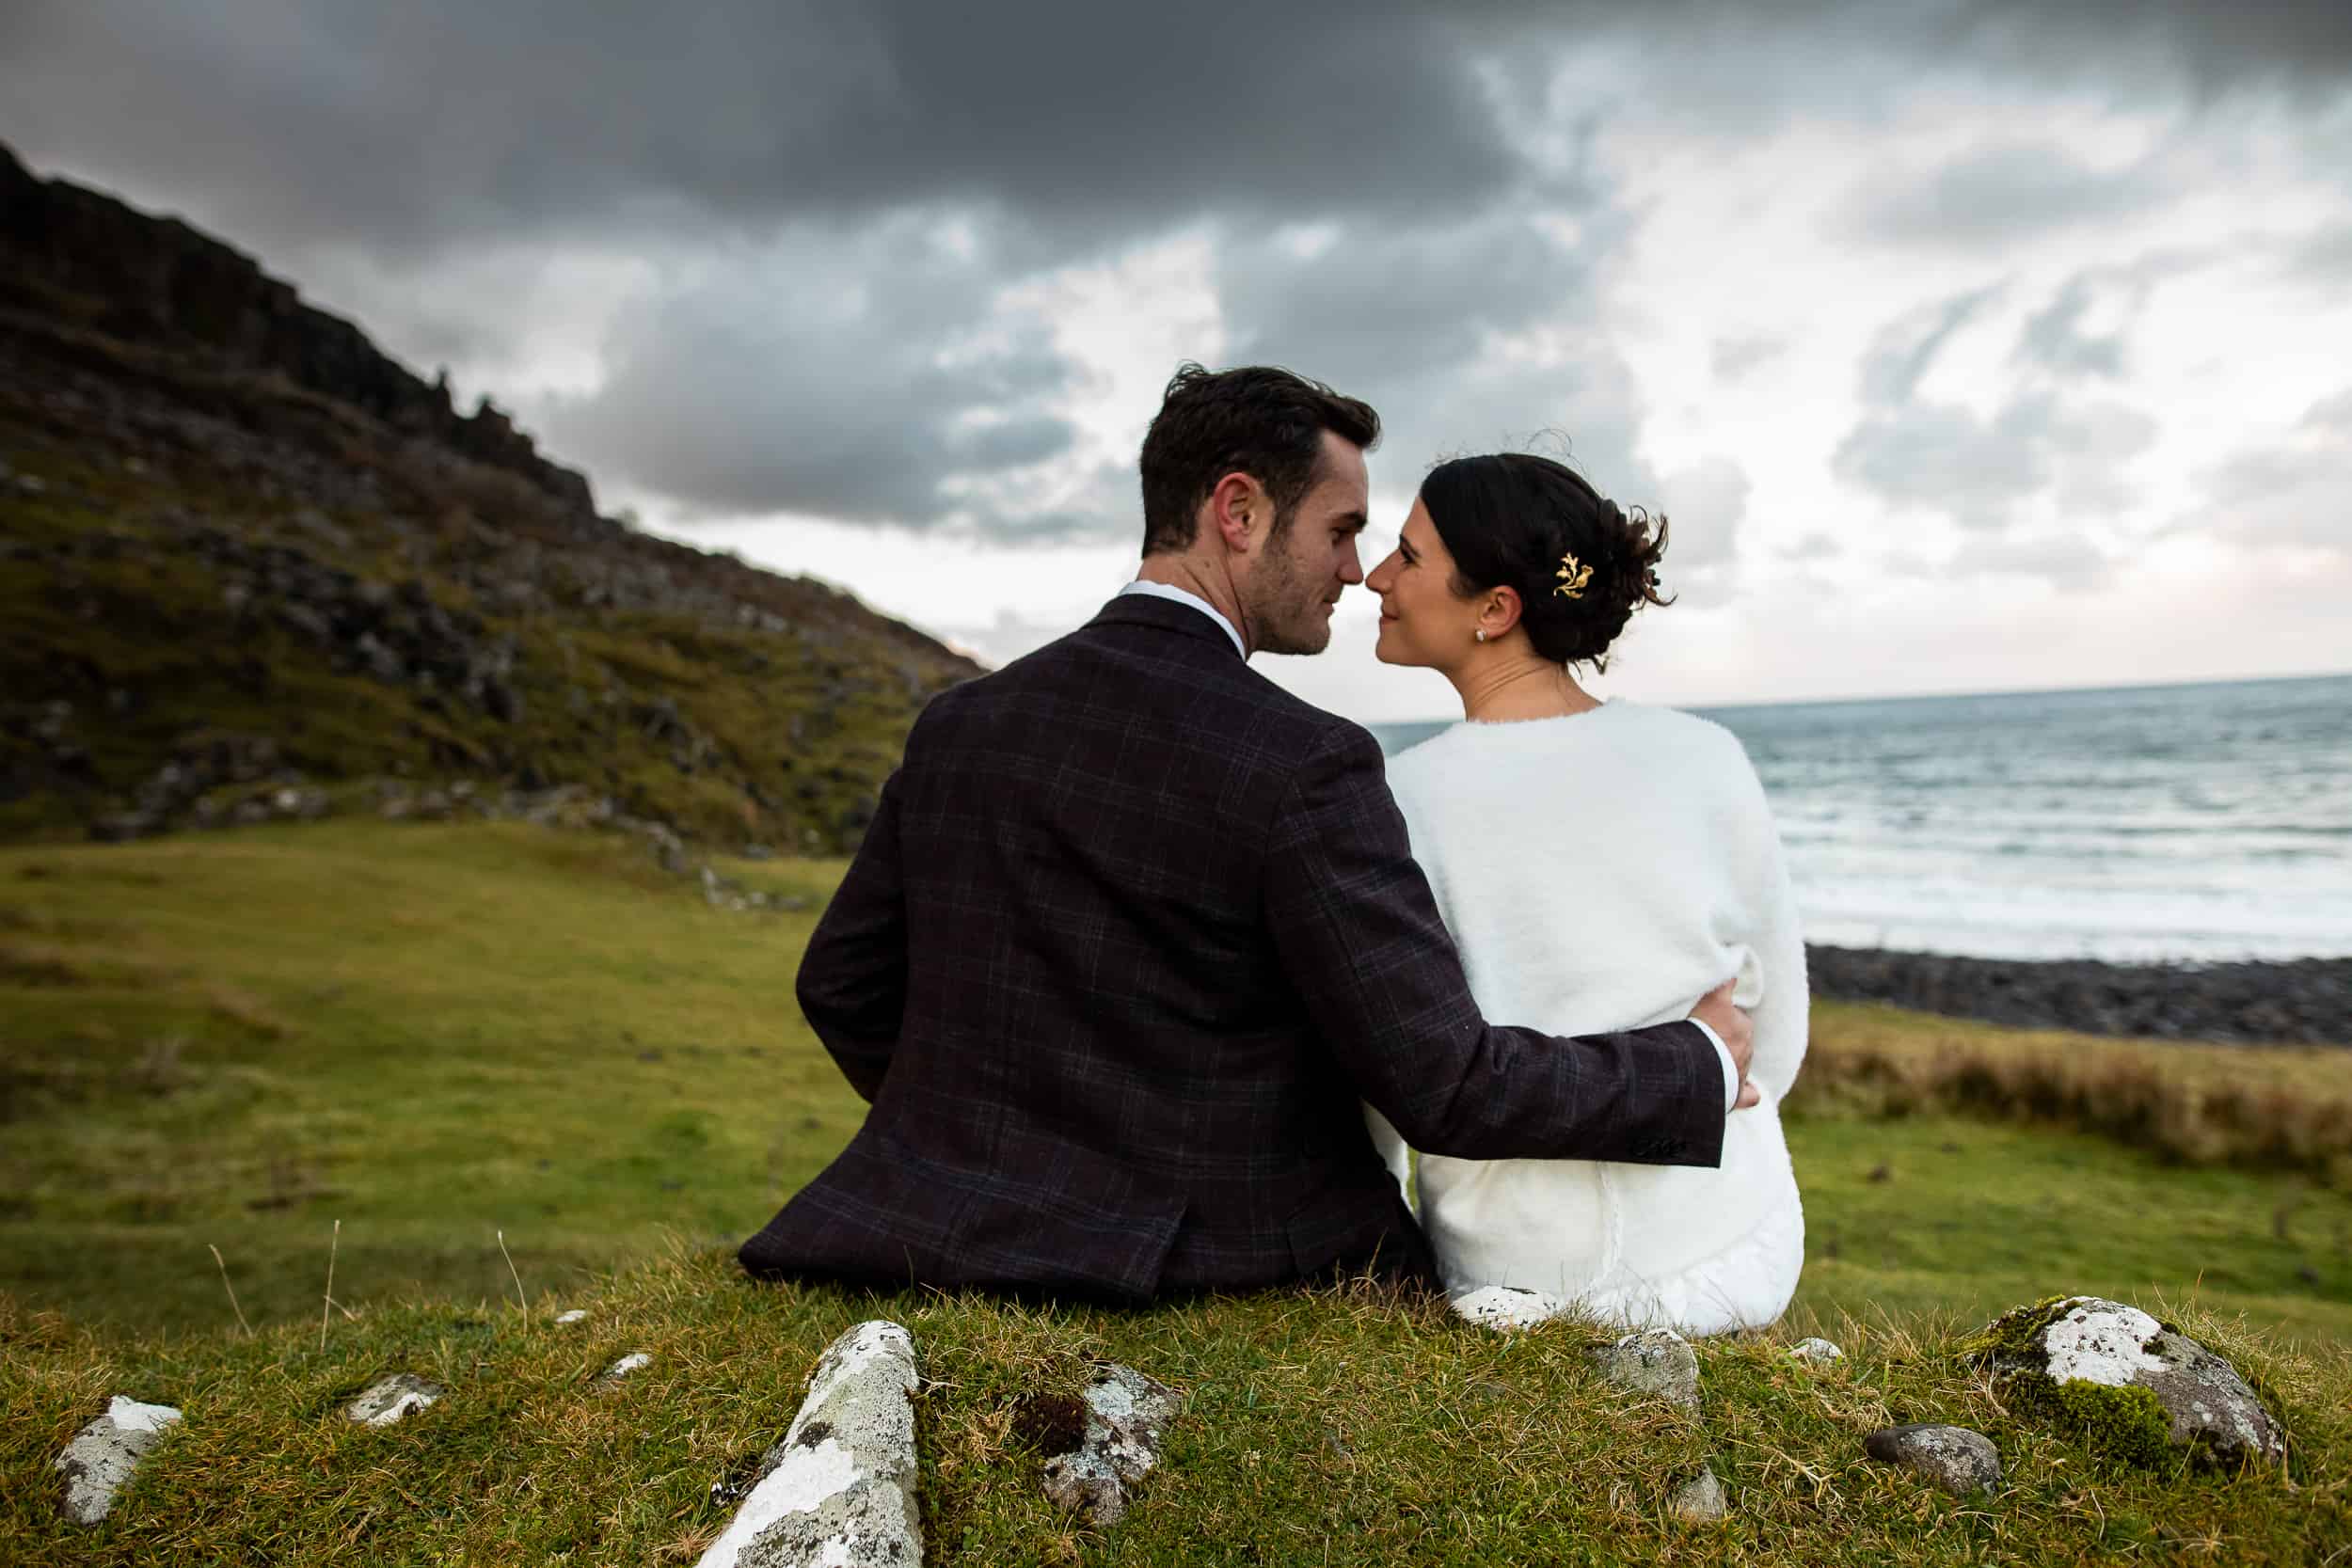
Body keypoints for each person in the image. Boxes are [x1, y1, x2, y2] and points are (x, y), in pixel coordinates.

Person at [737, 365, 1754, 1303]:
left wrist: (985, 1148)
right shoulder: (1303, 760)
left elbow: (842, 984)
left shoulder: (962, 722)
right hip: (1217, 1250)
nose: (1358, 572)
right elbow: (1444, 1083)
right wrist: (1696, 1058)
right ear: (1239, 510)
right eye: (1343, 528)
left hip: (930, 1220)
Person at [1361, 452, 1807, 1335]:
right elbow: (1777, 1035)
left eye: (1407, 557)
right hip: (1735, 1249)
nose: (1377, 576)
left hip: (1514, 1283)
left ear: (1495, 609)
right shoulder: (1705, 755)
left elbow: (1386, 1082)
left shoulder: (1400, 799)